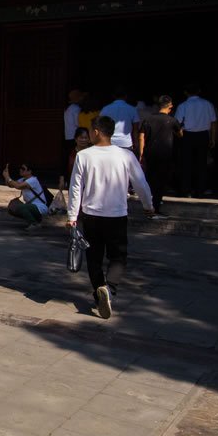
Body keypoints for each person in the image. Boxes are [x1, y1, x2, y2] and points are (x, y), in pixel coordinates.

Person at [67, 116, 155, 320]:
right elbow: (140, 183)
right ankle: (110, 288)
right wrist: (148, 205)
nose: (89, 134)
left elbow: (75, 187)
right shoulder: (126, 155)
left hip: (91, 215)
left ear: (97, 132)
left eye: (90, 130)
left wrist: (72, 215)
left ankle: (99, 292)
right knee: (118, 256)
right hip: (116, 215)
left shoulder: (84, 155)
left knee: (94, 257)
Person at [137, 95, 182, 218]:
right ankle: (156, 207)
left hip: (150, 153)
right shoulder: (172, 120)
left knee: (149, 179)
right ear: (170, 106)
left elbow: (141, 137)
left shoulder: (148, 119)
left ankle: (147, 206)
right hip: (165, 154)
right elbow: (180, 134)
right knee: (161, 181)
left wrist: (141, 153)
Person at [175, 84, 218, 198]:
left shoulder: (183, 105)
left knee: (186, 163)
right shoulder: (207, 104)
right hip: (203, 135)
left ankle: (186, 190)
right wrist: (213, 138)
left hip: (187, 136)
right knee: (201, 164)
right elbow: (214, 122)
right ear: (199, 91)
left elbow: (177, 123)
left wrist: (179, 136)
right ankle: (200, 190)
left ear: (185, 92)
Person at [2, 162, 48, 231]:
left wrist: (7, 177)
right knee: (12, 207)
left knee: (21, 207)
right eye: (20, 168)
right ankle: (37, 220)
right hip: (31, 206)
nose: (20, 170)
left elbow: (18, 186)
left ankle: (34, 224)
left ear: (29, 171)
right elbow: (10, 185)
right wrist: (6, 176)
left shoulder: (33, 180)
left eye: (23, 169)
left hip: (40, 207)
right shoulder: (22, 180)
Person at [63, 90, 83, 161]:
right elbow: (77, 122)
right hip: (74, 135)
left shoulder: (68, 108)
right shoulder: (76, 108)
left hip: (68, 135)